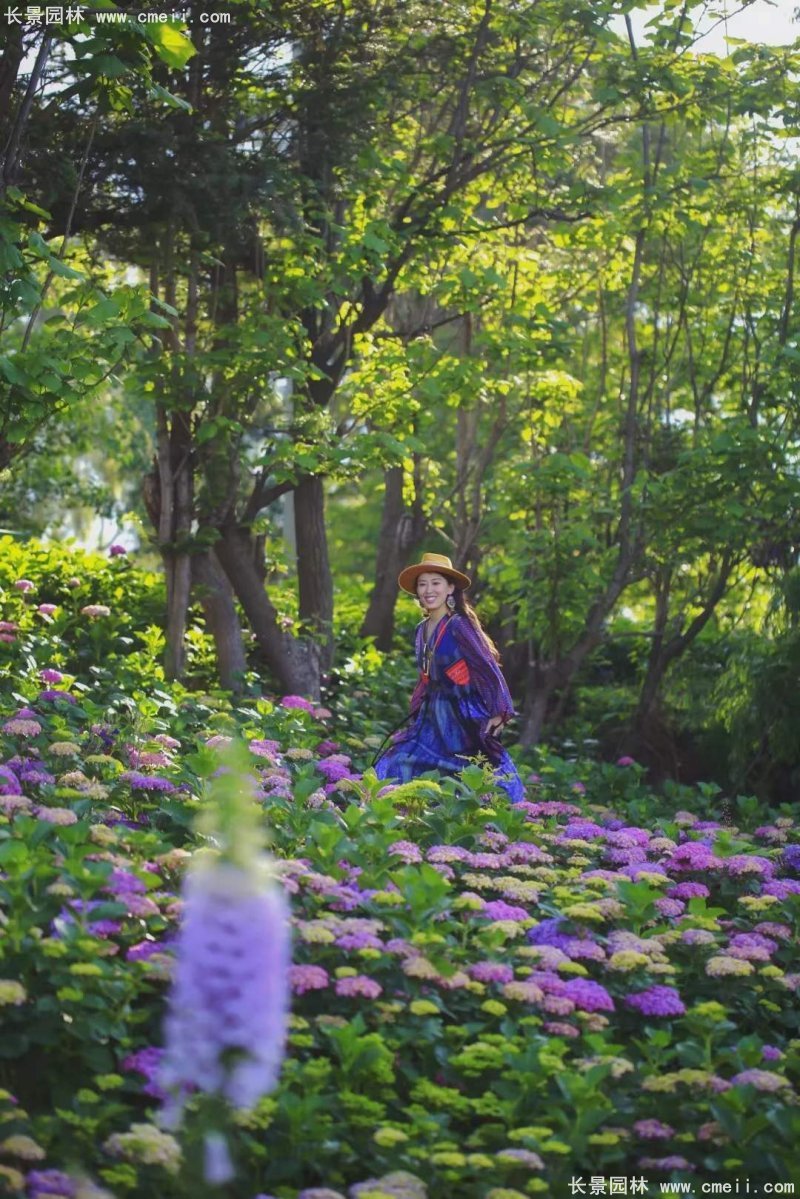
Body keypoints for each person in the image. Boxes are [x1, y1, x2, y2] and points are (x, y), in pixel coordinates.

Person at [373, 552, 525, 804]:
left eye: (436, 583)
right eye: (422, 584)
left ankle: (504, 818)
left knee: (476, 771)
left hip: (463, 714)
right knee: (400, 761)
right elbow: (424, 678)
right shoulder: (420, 631)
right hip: (432, 715)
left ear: (450, 588)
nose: (428, 590)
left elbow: (487, 667)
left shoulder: (458, 625)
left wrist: (500, 711)